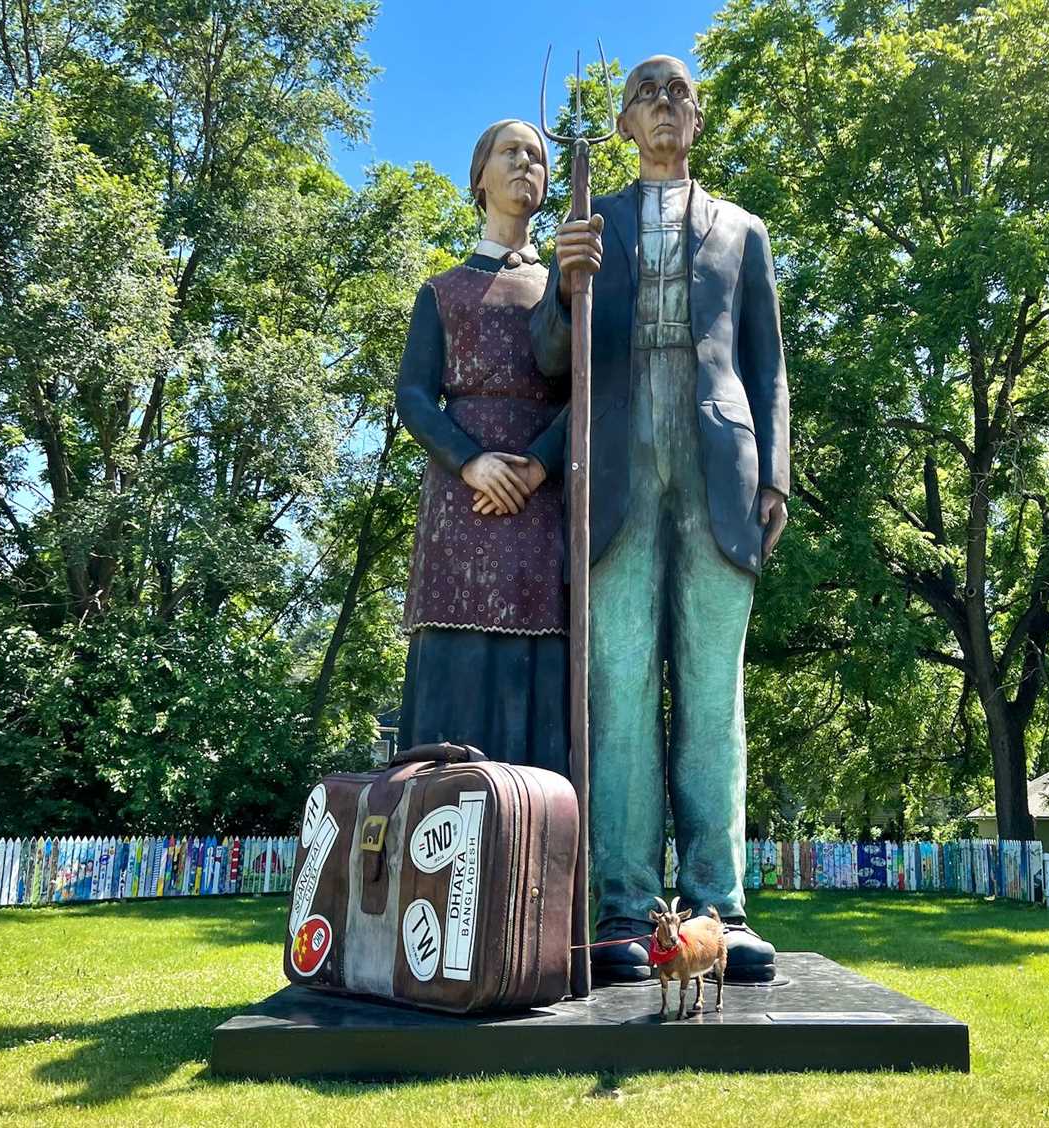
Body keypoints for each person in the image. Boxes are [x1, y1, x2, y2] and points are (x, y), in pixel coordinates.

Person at [530, 56, 790, 982]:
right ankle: (623, 910)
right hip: (615, 464)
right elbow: (553, 359)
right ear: (624, 124)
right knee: (622, 691)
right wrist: (566, 286)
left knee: (715, 699)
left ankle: (720, 908)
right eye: (649, 95)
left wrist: (778, 479)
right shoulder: (589, 228)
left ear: (698, 119)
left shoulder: (743, 231)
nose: (667, 107)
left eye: (681, 94)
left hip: (719, 464)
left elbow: (767, 365)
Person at [395, 119, 569, 775]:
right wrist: (472, 461)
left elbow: (588, 392)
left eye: (537, 155)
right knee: (453, 664)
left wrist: (537, 464)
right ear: (479, 177)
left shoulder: (567, 291)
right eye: (511, 151)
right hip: (458, 510)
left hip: (544, 503)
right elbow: (413, 395)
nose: (527, 162)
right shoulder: (440, 292)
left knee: (545, 675)